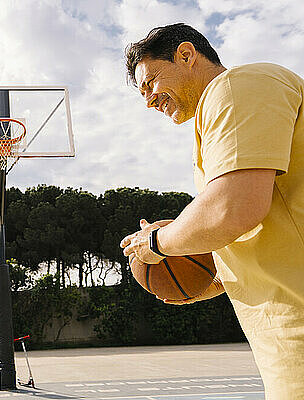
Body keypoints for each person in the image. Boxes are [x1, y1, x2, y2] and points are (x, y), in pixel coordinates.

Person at [119, 23, 304, 398]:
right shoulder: (220, 115)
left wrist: (154, 243)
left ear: (186, 55)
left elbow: (231, 210)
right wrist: (210, 280)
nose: (149, 101)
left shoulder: (237, 86)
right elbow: (258, 227)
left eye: (151, 82)